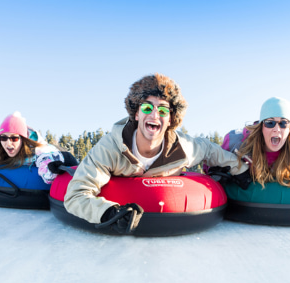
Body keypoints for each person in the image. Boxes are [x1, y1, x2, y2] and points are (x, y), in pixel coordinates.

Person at [63, 73, 251, 234]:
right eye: (147, 108)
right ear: (136, 114)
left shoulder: (182, 148)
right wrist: (108, 213)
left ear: (170, 119)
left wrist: (239, 168)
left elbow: (210, 150)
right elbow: (75, 196)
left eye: (162, 110)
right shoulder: (111, 147)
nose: (154, 115)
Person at [0, 111, 71, 190]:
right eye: (4, 138)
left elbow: (47, 165)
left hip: (62, 155)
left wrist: (52, 169)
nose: (8, 143)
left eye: (14, 138)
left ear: (23, 139)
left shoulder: (38, 150)